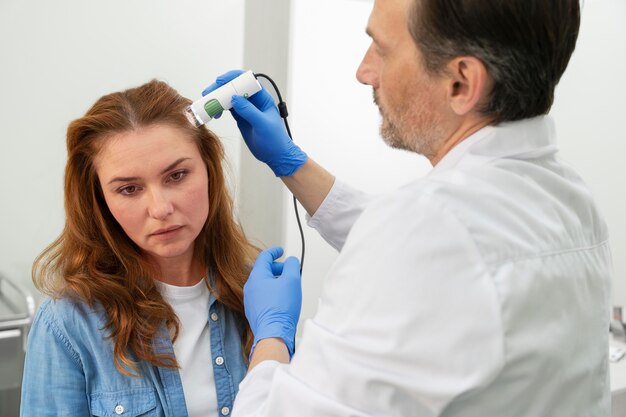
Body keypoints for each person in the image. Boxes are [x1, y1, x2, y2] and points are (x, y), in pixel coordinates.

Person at [207, 0, 613, 416]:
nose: (364, 72)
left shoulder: (425, 231)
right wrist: (290, 162)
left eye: (381, 49)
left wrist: (270, 336)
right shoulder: (570, 200)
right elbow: (452, 257)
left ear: (461, 82)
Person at [21, 80, 260, 417]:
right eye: (130, 189)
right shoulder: (70, 325)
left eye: (177, 175)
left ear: (208, 171)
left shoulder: (256, 294)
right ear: (101, 201)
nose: (160, 208)